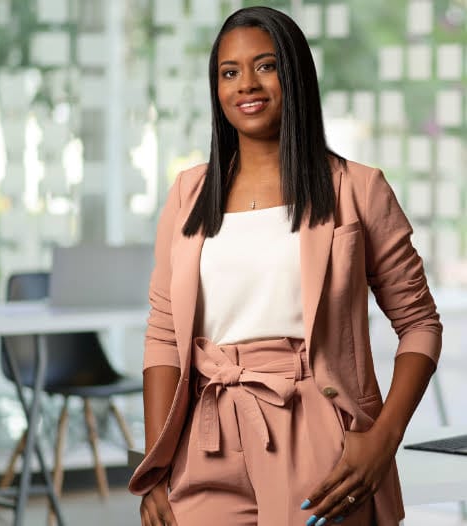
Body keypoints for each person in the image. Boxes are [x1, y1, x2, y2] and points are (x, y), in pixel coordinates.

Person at [129, 6, 442, 526]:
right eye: (229, 72)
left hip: (318, 428)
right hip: (205, 440)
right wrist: (156, 467)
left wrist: (383, 441)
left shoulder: (357, 189)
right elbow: (163, 336)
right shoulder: (188, 193)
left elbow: (420, 326)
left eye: (265, 66)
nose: (246, 84)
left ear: (294, 75)